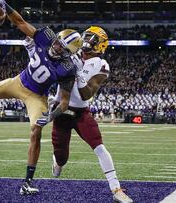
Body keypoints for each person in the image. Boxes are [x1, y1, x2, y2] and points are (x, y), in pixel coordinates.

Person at [0, 0, 83, 195]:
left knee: (36, 130)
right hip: (19, 81)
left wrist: (50, 117)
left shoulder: (67, 68)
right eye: (58, 42)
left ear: (69, 53)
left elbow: (64, 103)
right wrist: (5, 6)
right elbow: (19, 22)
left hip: (37, 96)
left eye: (63, 48)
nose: (57, 47)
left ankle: (27, 182)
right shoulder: (45, 36)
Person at [49, 26, 133, 203]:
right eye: (87, 36)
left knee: (99, 147)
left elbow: (86, 94)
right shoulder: (71, 52)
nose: (87, 40)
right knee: (61, 158)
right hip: (61, 112)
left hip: (80, 113)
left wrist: (79, 73)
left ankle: (116, 188)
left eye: (92, 38)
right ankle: (57, 162)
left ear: (101, 45)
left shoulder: (101, 64)